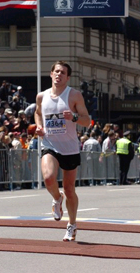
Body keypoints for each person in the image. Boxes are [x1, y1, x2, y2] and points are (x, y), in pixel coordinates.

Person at [35, 60, 90, 242]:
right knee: (49, 177)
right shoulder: (42, 96)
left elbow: (86, 121)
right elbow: (37, 112)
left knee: (69, 188)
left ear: (68, 77)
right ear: (51, 74)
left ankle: (72, 225)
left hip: (70, 148)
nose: (59, 75)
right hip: (50, 144)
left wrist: (73, 117)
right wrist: (39, 127)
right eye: (56, 71)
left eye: (63, 72)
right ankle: (57, 199)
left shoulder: (73, 95)